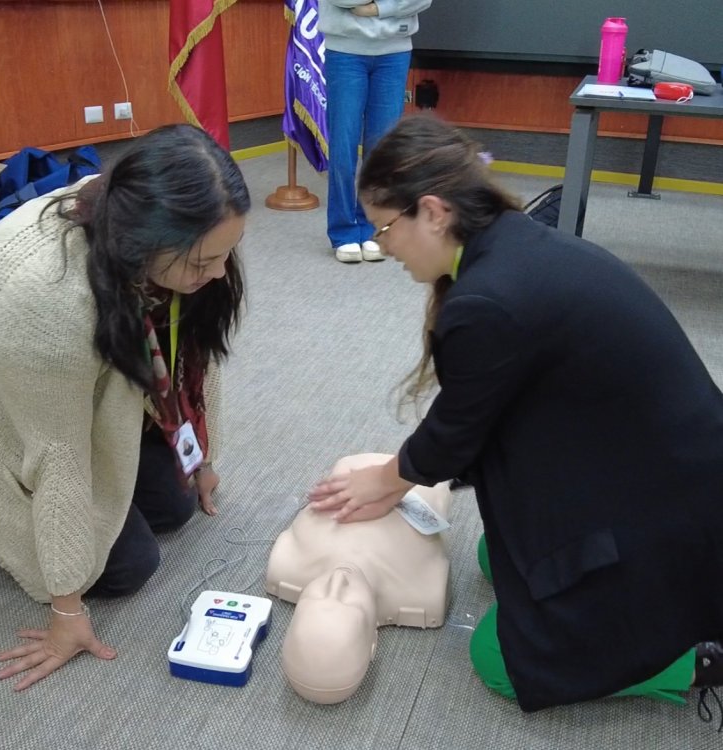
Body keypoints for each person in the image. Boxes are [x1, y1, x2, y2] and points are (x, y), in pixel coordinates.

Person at [308, 114, 723, 713]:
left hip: (667, 509)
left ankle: (693, 658)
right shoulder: (507, 242)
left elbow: (457, 433)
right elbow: (482, 413)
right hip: (645, 471)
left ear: (433, 211)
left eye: (386, 227)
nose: (382, 244)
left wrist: (387, 478)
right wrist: (400, 476)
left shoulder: (486, 300)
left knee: (499, 658)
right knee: (492, 559)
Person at [0, 124, 250, 691]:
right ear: (145, 247)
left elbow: (195, 359)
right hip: (5, 412)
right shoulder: (47, 300)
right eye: (205, 262)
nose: (219, 273)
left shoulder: (167, 233)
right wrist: (66, 612)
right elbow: (57, 455)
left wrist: (202, 460)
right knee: (125, 567)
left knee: (176, 506)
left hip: (104, 384)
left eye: (226, 254)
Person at [266, 453, 450, 703]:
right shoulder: (423, 588)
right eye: (348, 603)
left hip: (362, 468)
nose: (337, 582)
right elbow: (441, 478)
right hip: (427, 475)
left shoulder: (287, 563)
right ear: (372, 643)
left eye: (316, 597)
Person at [318, 0, 432, 263]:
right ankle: (344, 232)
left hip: (394, 51)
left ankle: (373, 228)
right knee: (343, 147)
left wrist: (376, 8)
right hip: (345, 51)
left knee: (383, 151)